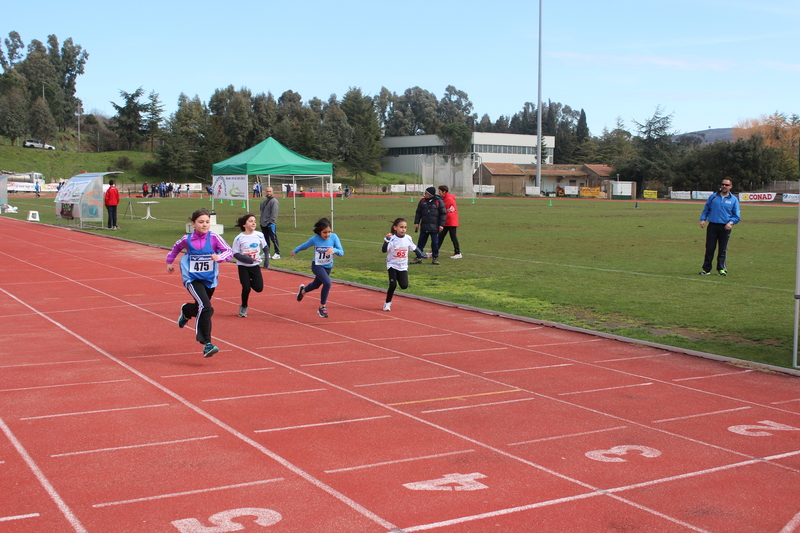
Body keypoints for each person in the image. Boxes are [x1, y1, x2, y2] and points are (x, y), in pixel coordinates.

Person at [166, 208, 233, 357]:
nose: (204, 225)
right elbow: (176, 248)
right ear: (193, 224)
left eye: (207, 222)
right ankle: (206, 344)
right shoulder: (187, 239)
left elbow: (229, 251)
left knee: (201, 308)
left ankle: (187, 311)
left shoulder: (214, 237)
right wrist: (169, 262)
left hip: (209, 280)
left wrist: (219, 257)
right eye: (201, 222)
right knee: (206, 308)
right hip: (192, 278)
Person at [291, 217, 344, 318]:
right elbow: (305, 246)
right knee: (328, 283)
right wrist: (296, 251)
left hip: (328, 267)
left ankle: (302, 291)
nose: (327, 234)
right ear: (319, 232)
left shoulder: (334, 237)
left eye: (329, 232)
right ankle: (322, 307)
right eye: (324, 232)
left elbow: (341, 252)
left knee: (316, 285)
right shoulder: (315, 239)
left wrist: (334, 250)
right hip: (317, 265)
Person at [699, 179, 740, 276]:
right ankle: (706, 269)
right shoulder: (713, 197)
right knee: (710, 248)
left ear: (731, 186)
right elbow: (706, 209)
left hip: (725, 227)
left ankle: (721, 269)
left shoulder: (733, 200)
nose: (724, 186)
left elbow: (736, 216)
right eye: (723, 184)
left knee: (722, 249)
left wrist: (731, 223)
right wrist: (703, 219)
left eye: (726, 185)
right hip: (712, 225)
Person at [382, 218, 423, 311]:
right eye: (401, 227)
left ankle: (388, 301)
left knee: (404, 286)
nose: (403, 229)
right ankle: (387, 303)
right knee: (393, 285)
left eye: (405, 227)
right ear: (395, 228)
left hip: (403, 266)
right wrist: (386, 241)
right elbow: (384, 250)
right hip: (392, 264)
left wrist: (422, 255)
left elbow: (414, 248)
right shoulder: (391, 238)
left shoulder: (408, 238)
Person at [231, 213, 267, 318]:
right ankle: (244, 306)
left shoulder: (259, 235)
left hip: (255, 266)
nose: (253, 223)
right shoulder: (239, 238)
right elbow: (235, 253)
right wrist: (245, 259)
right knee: (246, 288)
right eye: (250, 221)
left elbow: (265, 247)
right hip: (243, 267)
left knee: (259, 288)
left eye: (255, 221)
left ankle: (247, 282)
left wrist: (267, 260)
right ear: (244, 225)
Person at [411, 186, 446, 265]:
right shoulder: (422, 201)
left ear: (430, 194)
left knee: (435, 243)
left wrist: (441, 225)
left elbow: (443, 214)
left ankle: (435, 258)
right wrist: (416, 222)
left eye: (426, 193)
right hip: (424, 226)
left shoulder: (438, 202)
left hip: (435, 227)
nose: (425, 194)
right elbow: (418, 213)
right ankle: (418, 257)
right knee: (421, 243)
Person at [437, 185, 462, 259]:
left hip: (451, 221)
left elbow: (447, 209)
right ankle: (435, 250)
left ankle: (458, 252)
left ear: (444, 192)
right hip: (446, 220)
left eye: (439, 191)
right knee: (440, 236)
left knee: (453, 237)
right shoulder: (444, 198)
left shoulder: (448, 199)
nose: (438, 192)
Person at [259, 186, 281, 263]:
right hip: (263, 223)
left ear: (272, 192)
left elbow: (274, 213)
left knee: (273, 238)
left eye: (270, 191)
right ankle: (266, 253)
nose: (268, 193)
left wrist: (271, 222)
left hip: (270, 223)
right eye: (267, 191)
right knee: (265, 239)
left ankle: (277, 253)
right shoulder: (264, 201)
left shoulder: (274, 201)